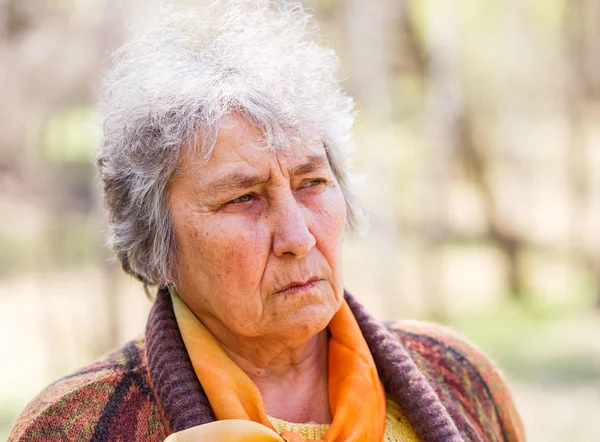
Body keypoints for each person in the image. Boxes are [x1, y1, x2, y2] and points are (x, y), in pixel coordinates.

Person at [8, 1, 525, 441]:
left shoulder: (459, 376)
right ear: (156, 243)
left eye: (312, 184)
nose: (299, 237)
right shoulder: (73, 426)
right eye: (243, 199)